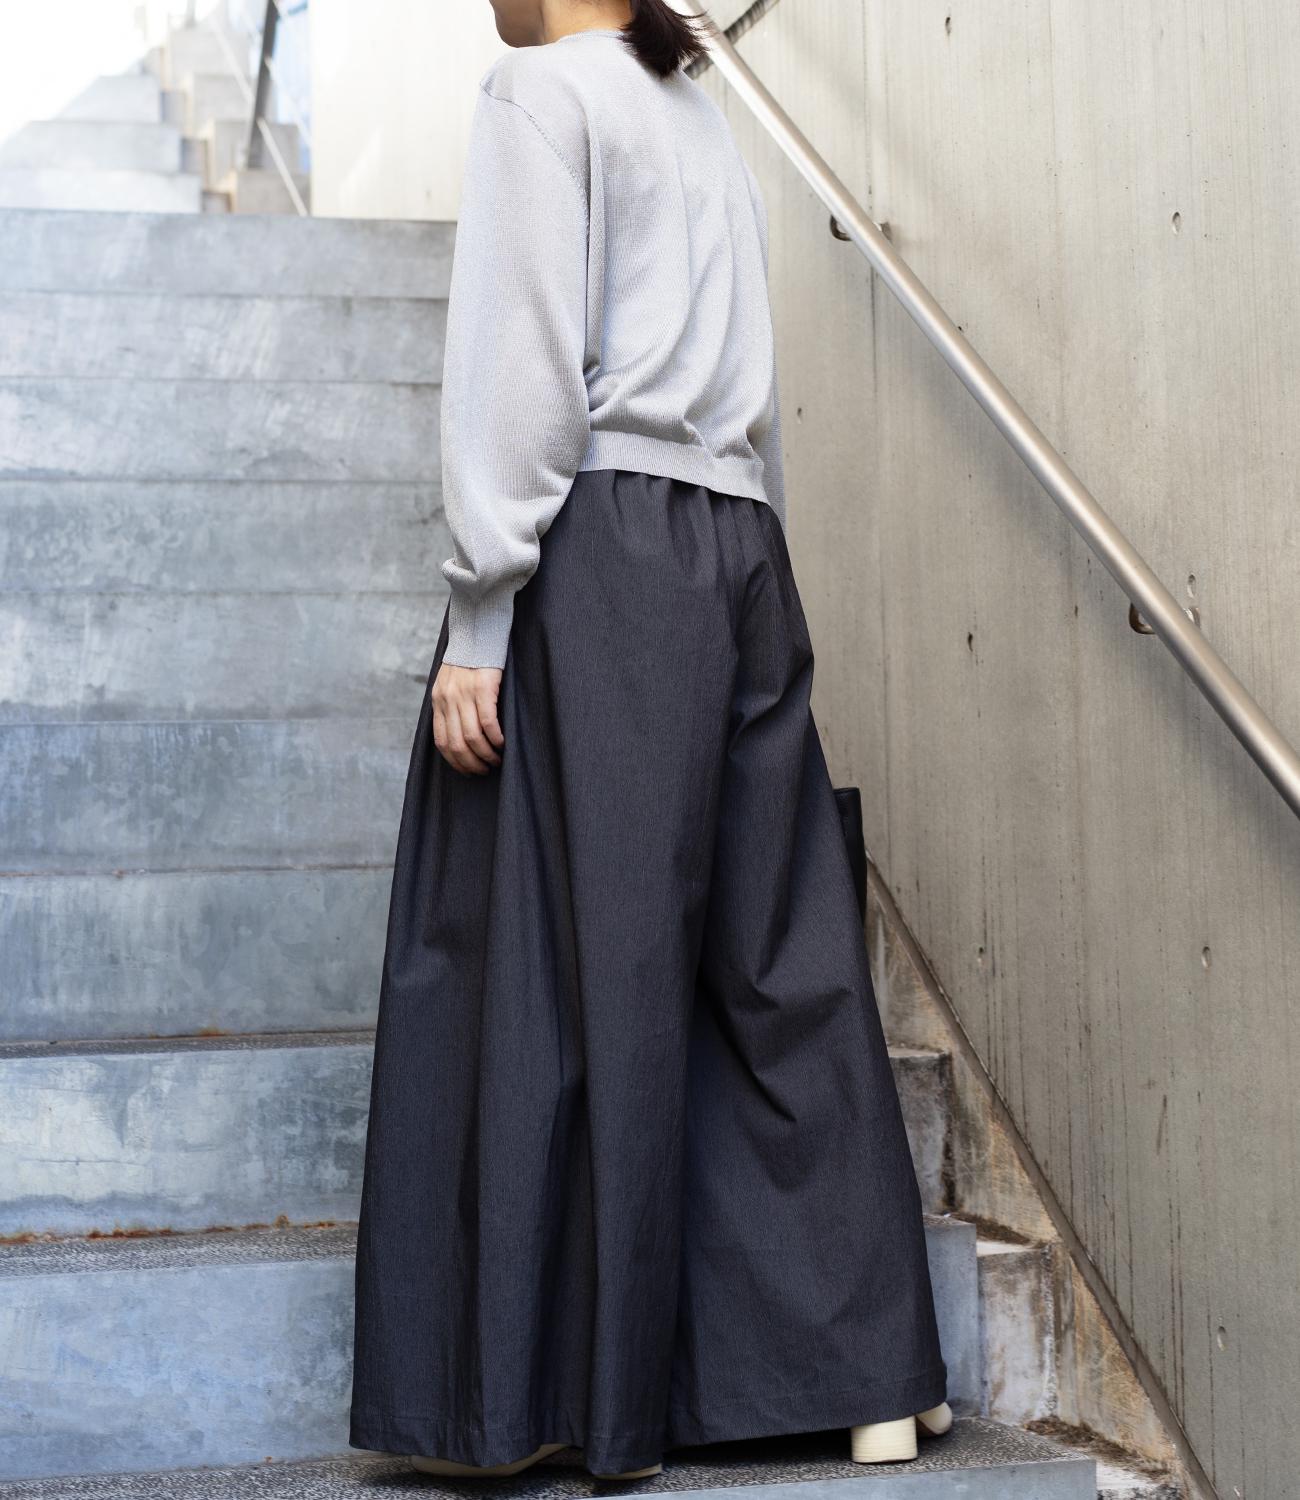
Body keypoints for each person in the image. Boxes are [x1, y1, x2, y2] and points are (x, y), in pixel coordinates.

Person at [348, 0, 952, 1481]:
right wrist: (755, 582)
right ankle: (881, 1376)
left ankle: (571, 1397)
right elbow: (753, 392)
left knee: (570, 968)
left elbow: (524, 366)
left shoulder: (540, 97)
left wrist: (482, 612)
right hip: (740, 547)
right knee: (780, 963)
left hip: (604, 553)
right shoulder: (697, 112)